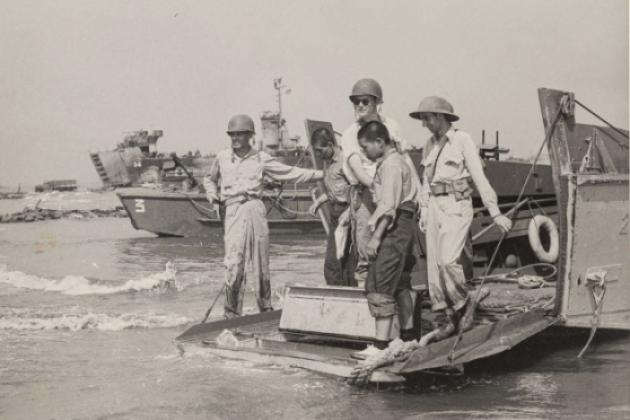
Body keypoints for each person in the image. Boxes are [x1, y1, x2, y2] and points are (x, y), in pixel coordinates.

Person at [409, 96, 512, 336]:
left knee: (448, 260)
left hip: (456, 204)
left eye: (427, 118)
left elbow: (479, 177)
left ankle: (465, 304)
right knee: (434, 268)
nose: (424, 123)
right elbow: (426, 180)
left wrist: (495, 212)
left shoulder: (462, 140)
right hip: (434, 206)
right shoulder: (428, 145)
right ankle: (447, 317)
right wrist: (424, 210)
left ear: (441, 117)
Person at [203, 114, 324, 318]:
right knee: (233, 262)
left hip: (255, 208)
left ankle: (265, 309)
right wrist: (213, 198)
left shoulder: (261, 158)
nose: (235, 138)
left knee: (260, 262)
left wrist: (320, 174)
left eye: (240, 134)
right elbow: (209, 179)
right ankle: (231, 312)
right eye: (232, 135)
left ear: (250, 136)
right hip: (232, 210)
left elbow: (290, 172)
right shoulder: (222, 157)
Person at [340, 78, 421, 287]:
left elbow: (405, 159)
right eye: (355, 101)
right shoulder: (350, 134)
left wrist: (419, 191)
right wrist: (378, 188)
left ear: (378, 102)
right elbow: (357, 169)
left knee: (397, 248)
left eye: (365, 101)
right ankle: (366, 301)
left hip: (394, 193)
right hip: (368, 194)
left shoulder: (392, 126)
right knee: (367, 247)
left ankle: (398, 303)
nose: (359, 106)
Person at [356, 120, 419, 352]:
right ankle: (408, 337)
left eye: (366, 147)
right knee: (401, 282)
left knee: (379, 282)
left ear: (380, 142)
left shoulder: (391, 165)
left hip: (393, 230)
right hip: (404, 229)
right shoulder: (398, 162)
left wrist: (375, 239)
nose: (365, 152)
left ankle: (380, 346)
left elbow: (388, 208)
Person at [309, 127, 357, 287]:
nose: (318, 154)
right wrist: (318, 201)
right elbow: (334, 190)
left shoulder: (345, 161)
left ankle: (339, 294)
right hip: (335, 213)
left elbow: (357, 189)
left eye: (320, 150)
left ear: (330, 144)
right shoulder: (327, 162)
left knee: (333, 263)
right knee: (340, 260)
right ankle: (343, 295)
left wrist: (349, 213)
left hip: (347, 213)